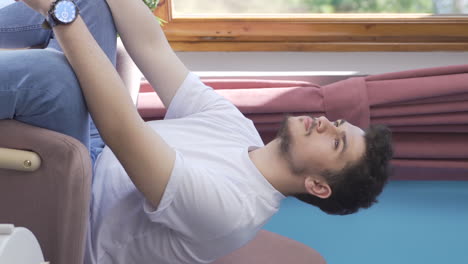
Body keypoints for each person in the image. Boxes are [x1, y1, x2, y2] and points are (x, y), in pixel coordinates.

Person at [0, 0, 393, 263]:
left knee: (54, 77)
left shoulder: (231, 213)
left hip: (76, 206)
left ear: (318, 186)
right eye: (337, 124)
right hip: (101, 152)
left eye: (336, 141)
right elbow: (152, 49)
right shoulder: (239, 131)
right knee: (94, 5)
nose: (325, 123)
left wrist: (56, 11)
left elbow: (120, 126)